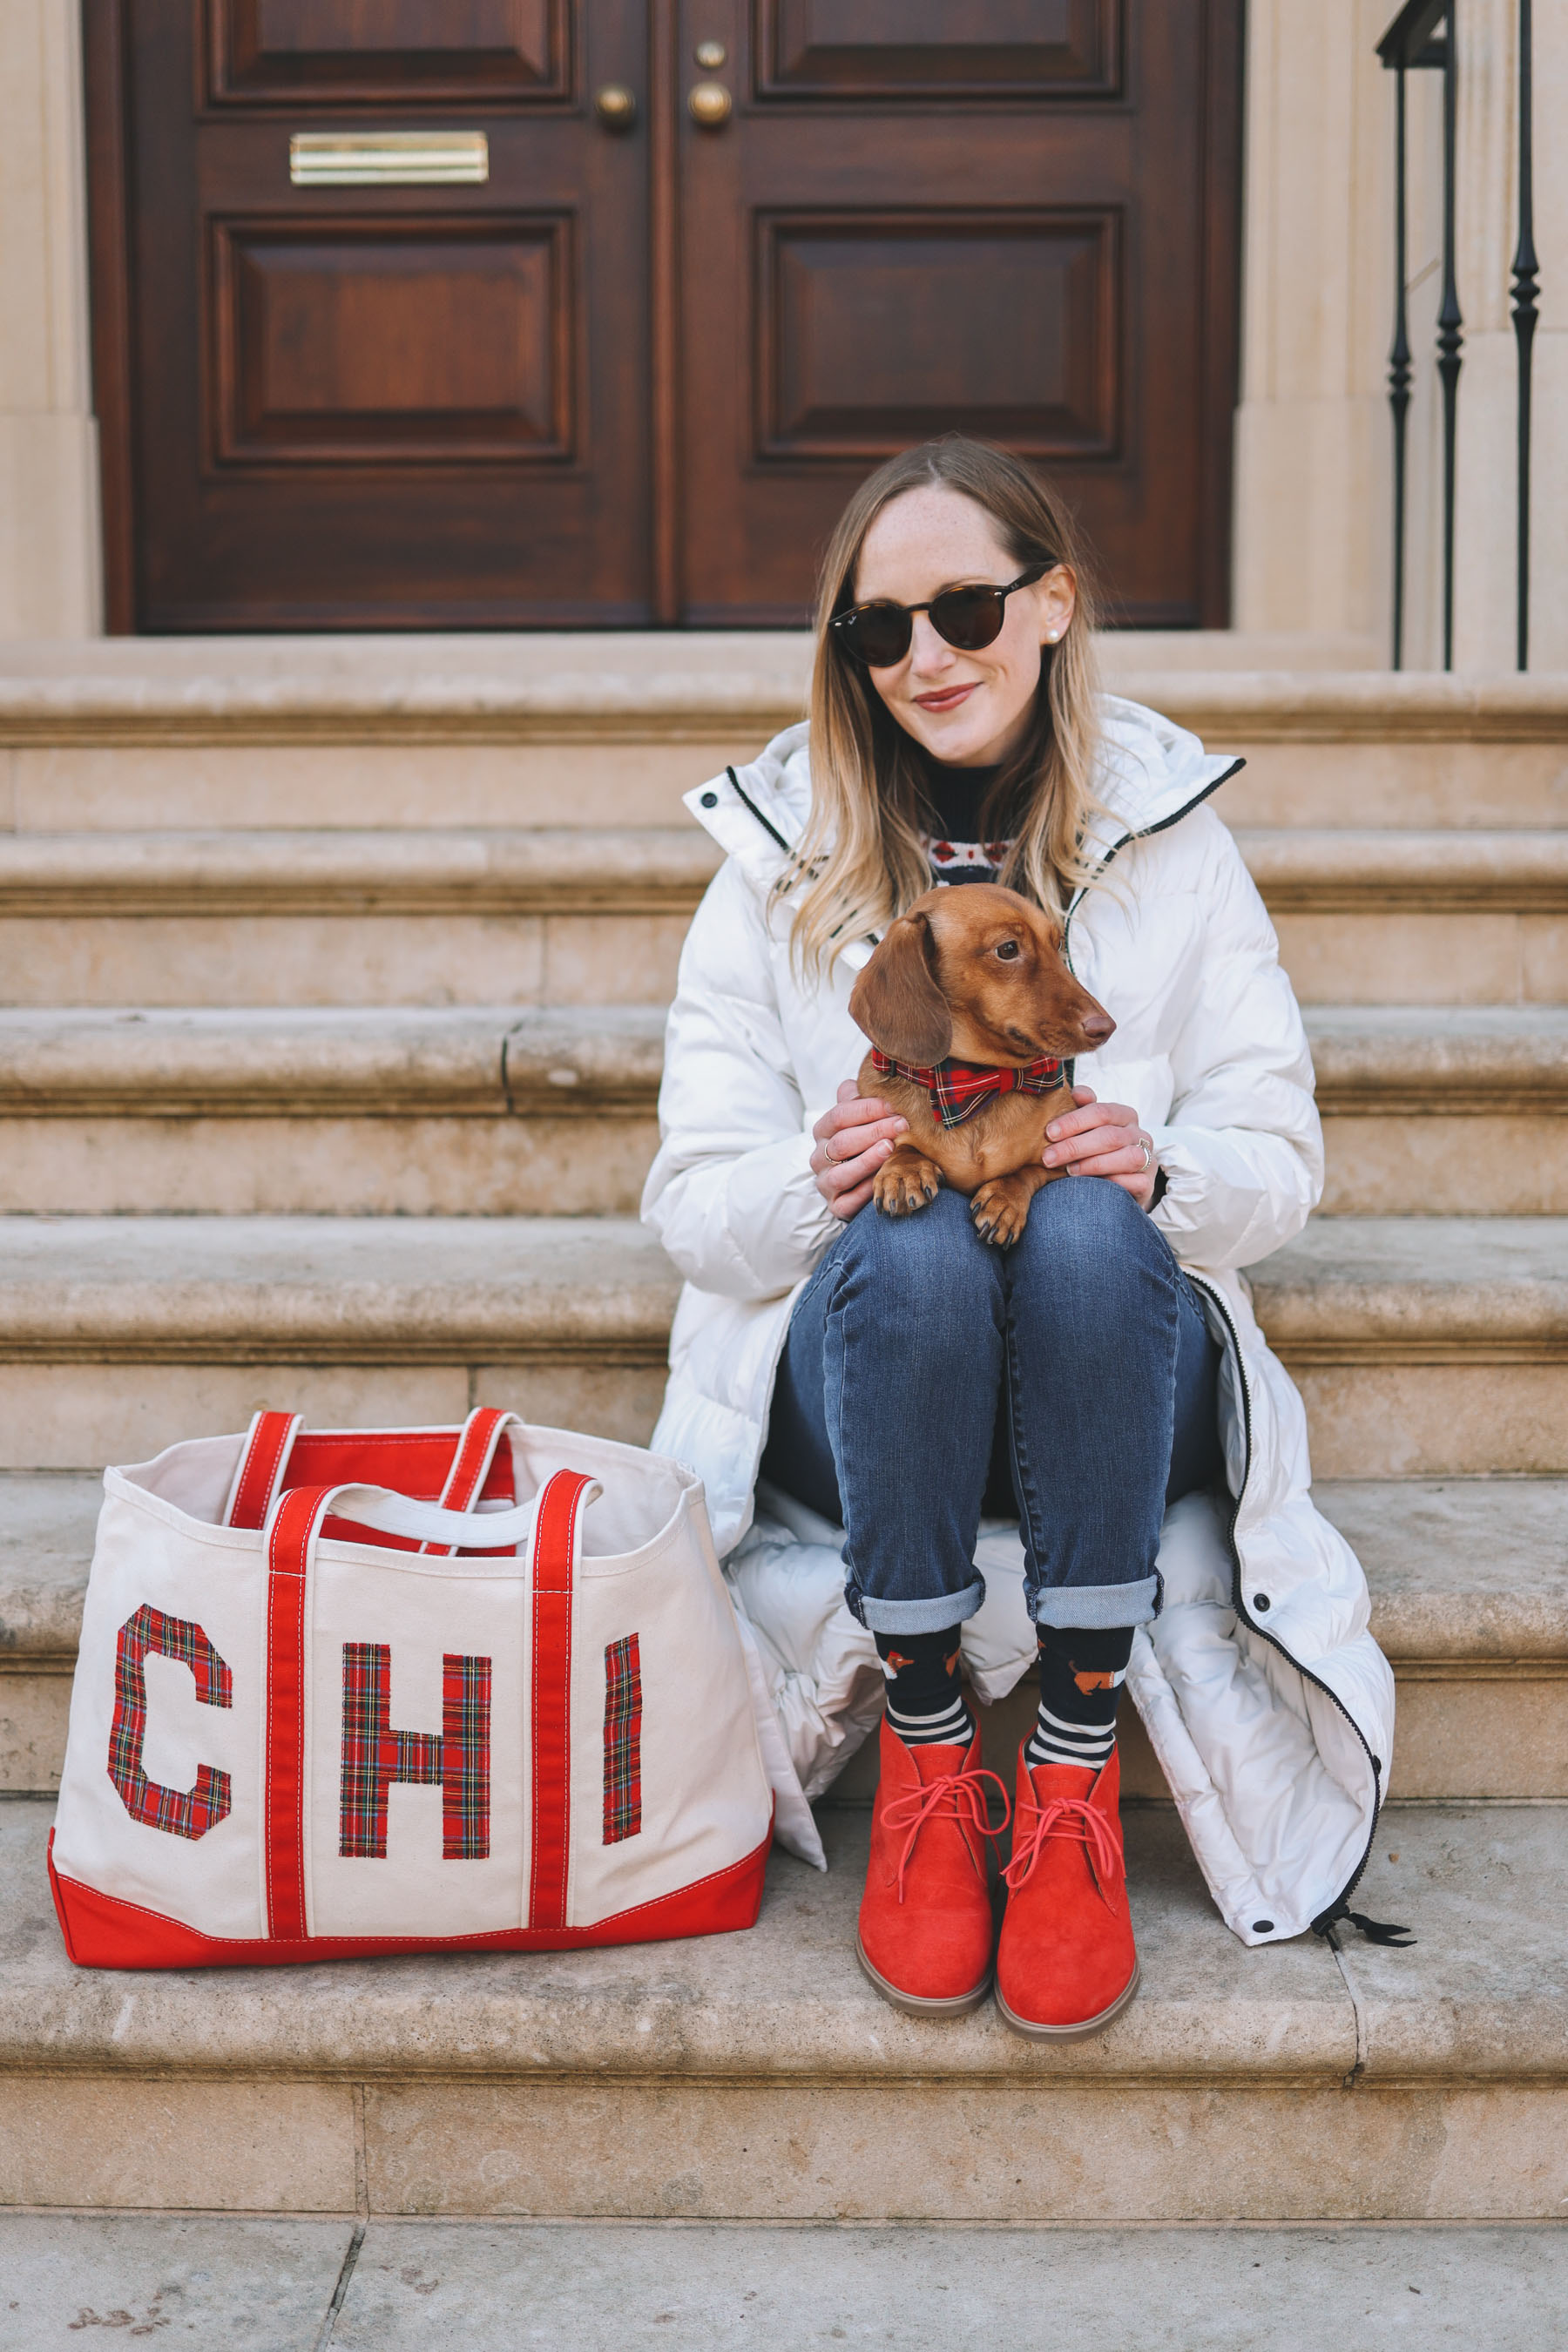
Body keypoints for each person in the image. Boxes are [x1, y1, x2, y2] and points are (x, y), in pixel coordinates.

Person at [642, 436, 1394, 2037]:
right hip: (870, 1390)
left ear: (1051, 607)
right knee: (909, 1245)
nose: (925, 657)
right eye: (878, 627)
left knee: (1076, 1229)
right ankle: (927, 1752)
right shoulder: (773, 864)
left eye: (967, 609)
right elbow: (691, 1208)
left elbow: (1281, 1155)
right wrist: (818, 1174)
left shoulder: (1173, 837)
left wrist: (1162, 1162)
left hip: (1104, 1371)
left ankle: (1065, 1774)